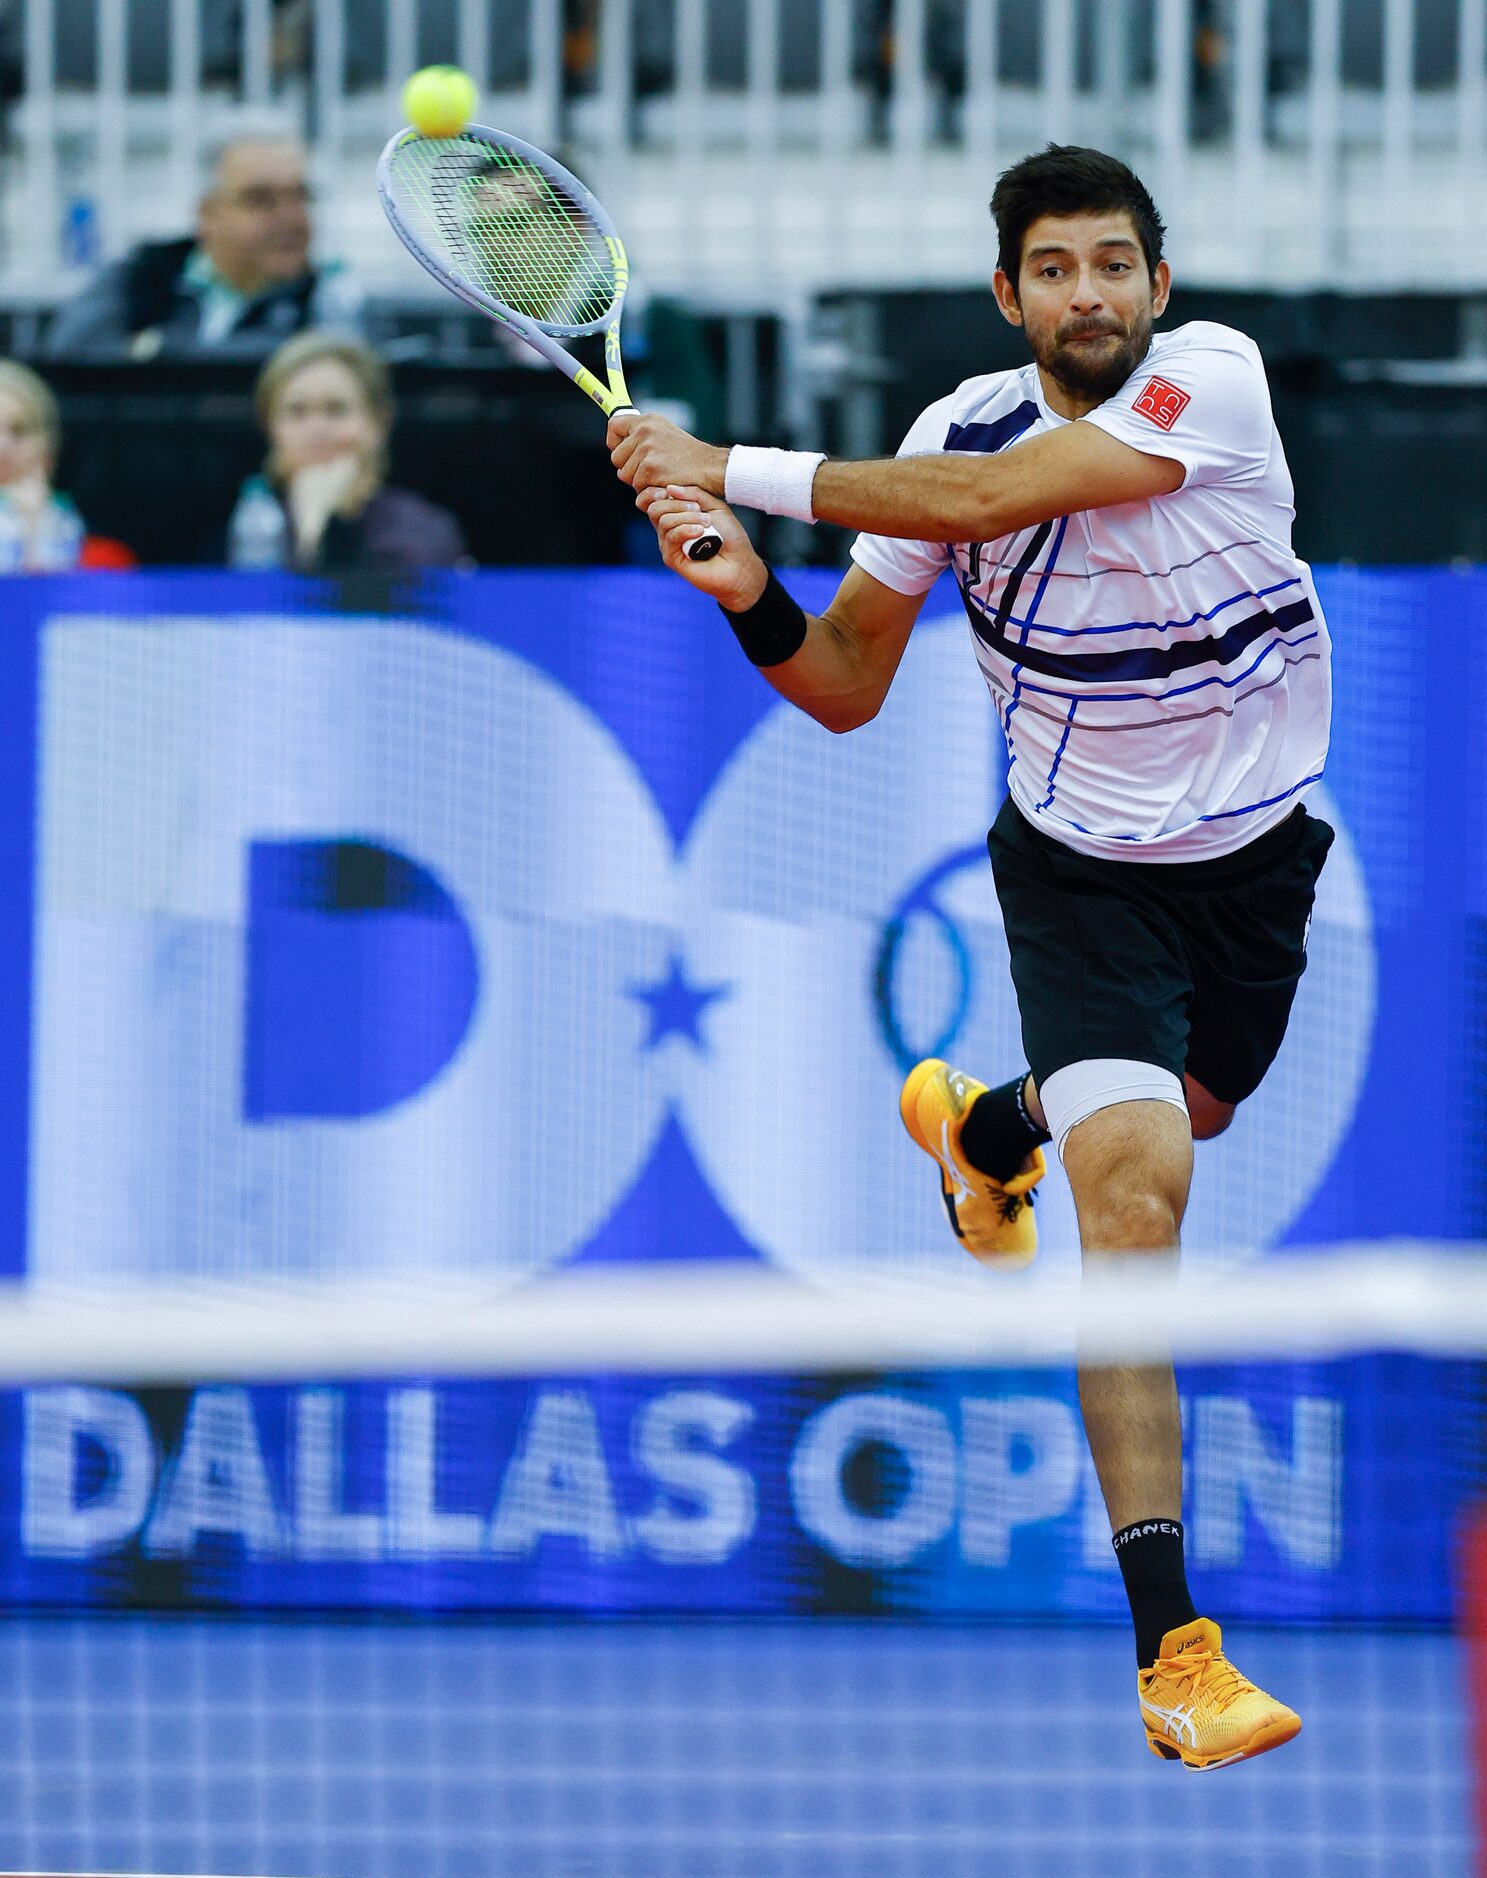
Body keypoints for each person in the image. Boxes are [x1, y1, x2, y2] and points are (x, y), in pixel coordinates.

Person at [609, 144, 1329, 1771]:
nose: (1089, 292)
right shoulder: (948, 428)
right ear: (1008, 296)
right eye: (1055, 268)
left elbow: (1003, 501)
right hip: (1078, 874)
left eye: (1114, 262)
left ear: (1158, 281)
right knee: (1134, 1195)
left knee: (1191, 1105)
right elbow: (849, 677)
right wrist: (749, 597)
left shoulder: (1212, 381)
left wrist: (727, 459)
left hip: (1256, 867)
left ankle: (979, 1127)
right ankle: (1176, 1655)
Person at [46, 131, 363, 358]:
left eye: (301, 196)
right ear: (207, 214)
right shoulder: (136, 281)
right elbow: (69, 374)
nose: (291, 218)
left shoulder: (336, 303)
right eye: (261, 199)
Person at [225, 331, 466, 573]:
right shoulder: (242, 529)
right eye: (297, 411)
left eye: (336, 409)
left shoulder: (423, 530)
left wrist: (325, 530)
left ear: (379, 422)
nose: (317, 429)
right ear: (270, 425)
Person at [0, 359, 135, 569]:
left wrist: (34, 532)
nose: (3, 447)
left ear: (49, 451)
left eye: (19, 430)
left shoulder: (103, 562)